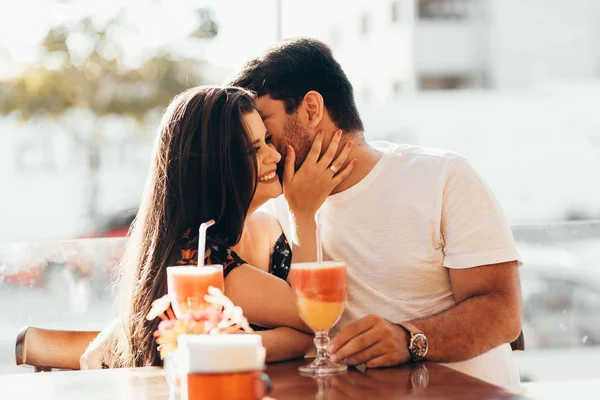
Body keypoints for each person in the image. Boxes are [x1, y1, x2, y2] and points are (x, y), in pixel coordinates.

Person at [228, 37, 523, 386]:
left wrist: (409, 339)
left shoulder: (442, 176)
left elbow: (503, 313)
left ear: (311, 109)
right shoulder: (278, 202)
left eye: (264, 122)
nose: (260, 141)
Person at [94, 85, 356, 368]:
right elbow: (310, 317)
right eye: (254, 150)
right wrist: (302, 214)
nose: (275, 156)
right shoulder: (196, 258)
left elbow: (309, 330)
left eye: (267, 140)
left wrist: (245, 343)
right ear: (216, 168)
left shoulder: (267, 226)